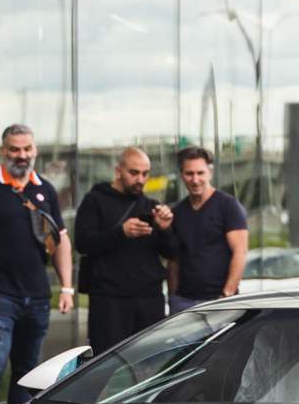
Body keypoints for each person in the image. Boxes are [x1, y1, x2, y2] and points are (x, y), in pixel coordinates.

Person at [0, 123, 75, 404]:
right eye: (15, 149)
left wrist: (67, 287)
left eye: (27, 149)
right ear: (2, 151)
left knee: (29, 372)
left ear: (35, 150)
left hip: (38, 296)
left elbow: (61, 241)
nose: (22, 155)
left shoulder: (46, 189)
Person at [74, 147, 179, 356]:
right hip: (109, 299)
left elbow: (172, 252)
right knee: (104, 365)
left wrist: (165, 228)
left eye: (145, 174)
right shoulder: (95, 200)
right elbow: (83, 243)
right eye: (134, 173)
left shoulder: (151, 205)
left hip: (149, 298)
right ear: (118, 171)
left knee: (151, 363)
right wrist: (121, 232)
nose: (140, 179)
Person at [167, 146, 249, 313]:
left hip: (219, 302)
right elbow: (174, 260)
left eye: (200, 173)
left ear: (210, 173)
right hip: (183, 303)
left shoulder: (228, 206)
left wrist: (227, 295)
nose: (195, 179)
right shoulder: (177, 212)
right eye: (189, 174)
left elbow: (240, 252)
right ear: (182, 175)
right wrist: (173, 297)